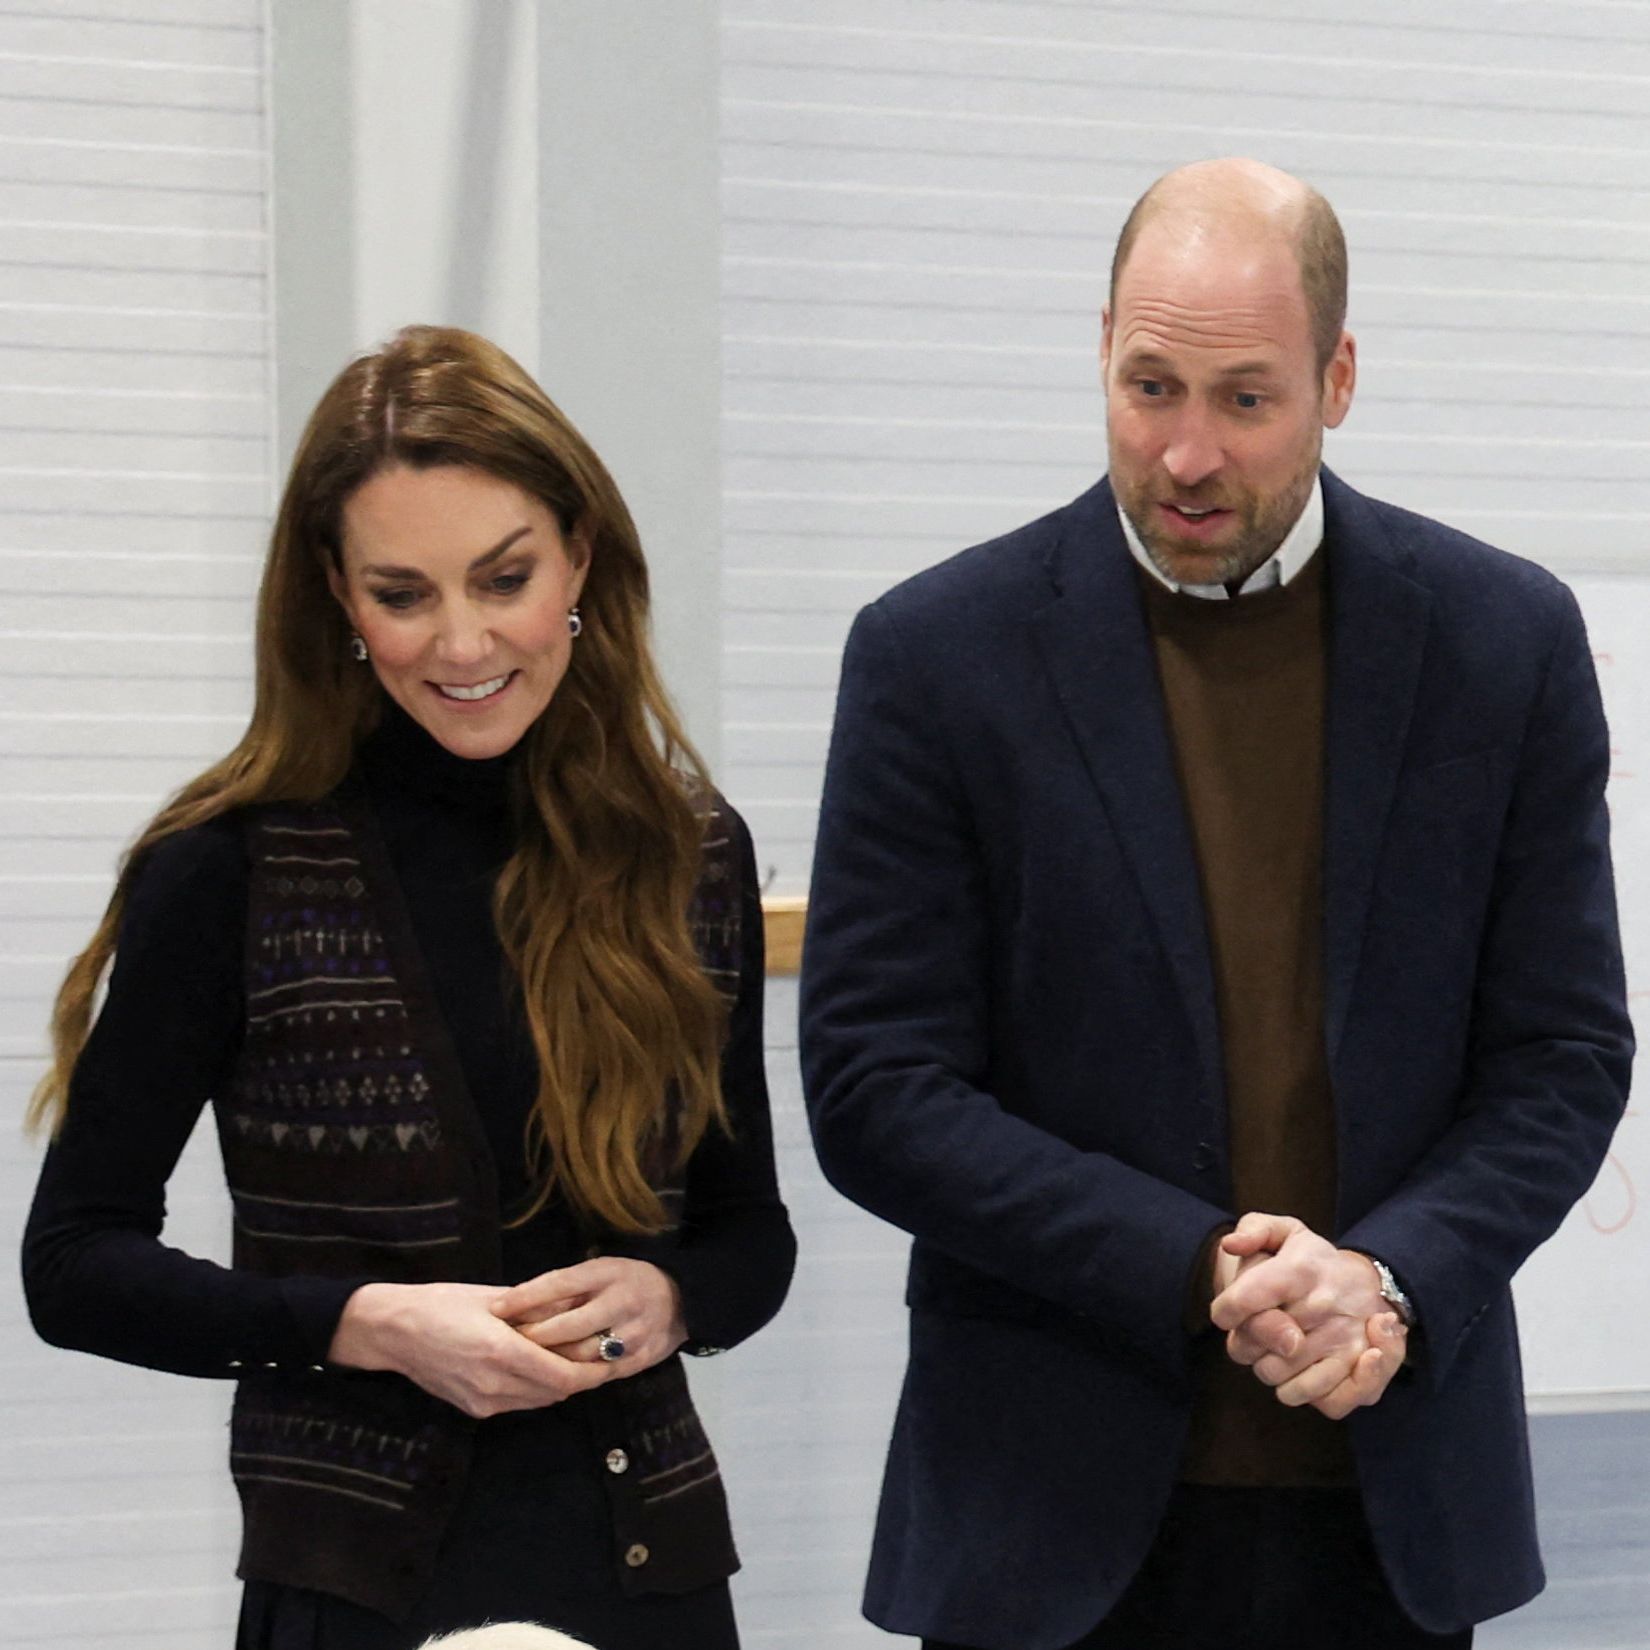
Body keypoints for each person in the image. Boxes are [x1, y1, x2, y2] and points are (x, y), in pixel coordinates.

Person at [798, 158, 1632, 1650]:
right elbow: (875, 1085)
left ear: (1338, 376)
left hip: (1387, 1516)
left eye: (1244, 399)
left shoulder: (1499, 645)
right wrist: (1190, 1266)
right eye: (1148, 385)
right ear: (1100, 343)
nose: (1185, 452)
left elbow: (1560, 1055)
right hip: (1039, 1518)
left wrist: (1390, 1276)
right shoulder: (936, 657)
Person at [23, 325, 795, 1650]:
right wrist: (359, 1322)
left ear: (580, 560)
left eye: (504, 577)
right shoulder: (229, 869)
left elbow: (747, 1235)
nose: (462, 642)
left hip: (644, 1574)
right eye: (402, 592)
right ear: (335, 593)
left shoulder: (684, 852)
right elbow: (72, 1264)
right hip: (355, 1589)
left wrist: (668, 1299)